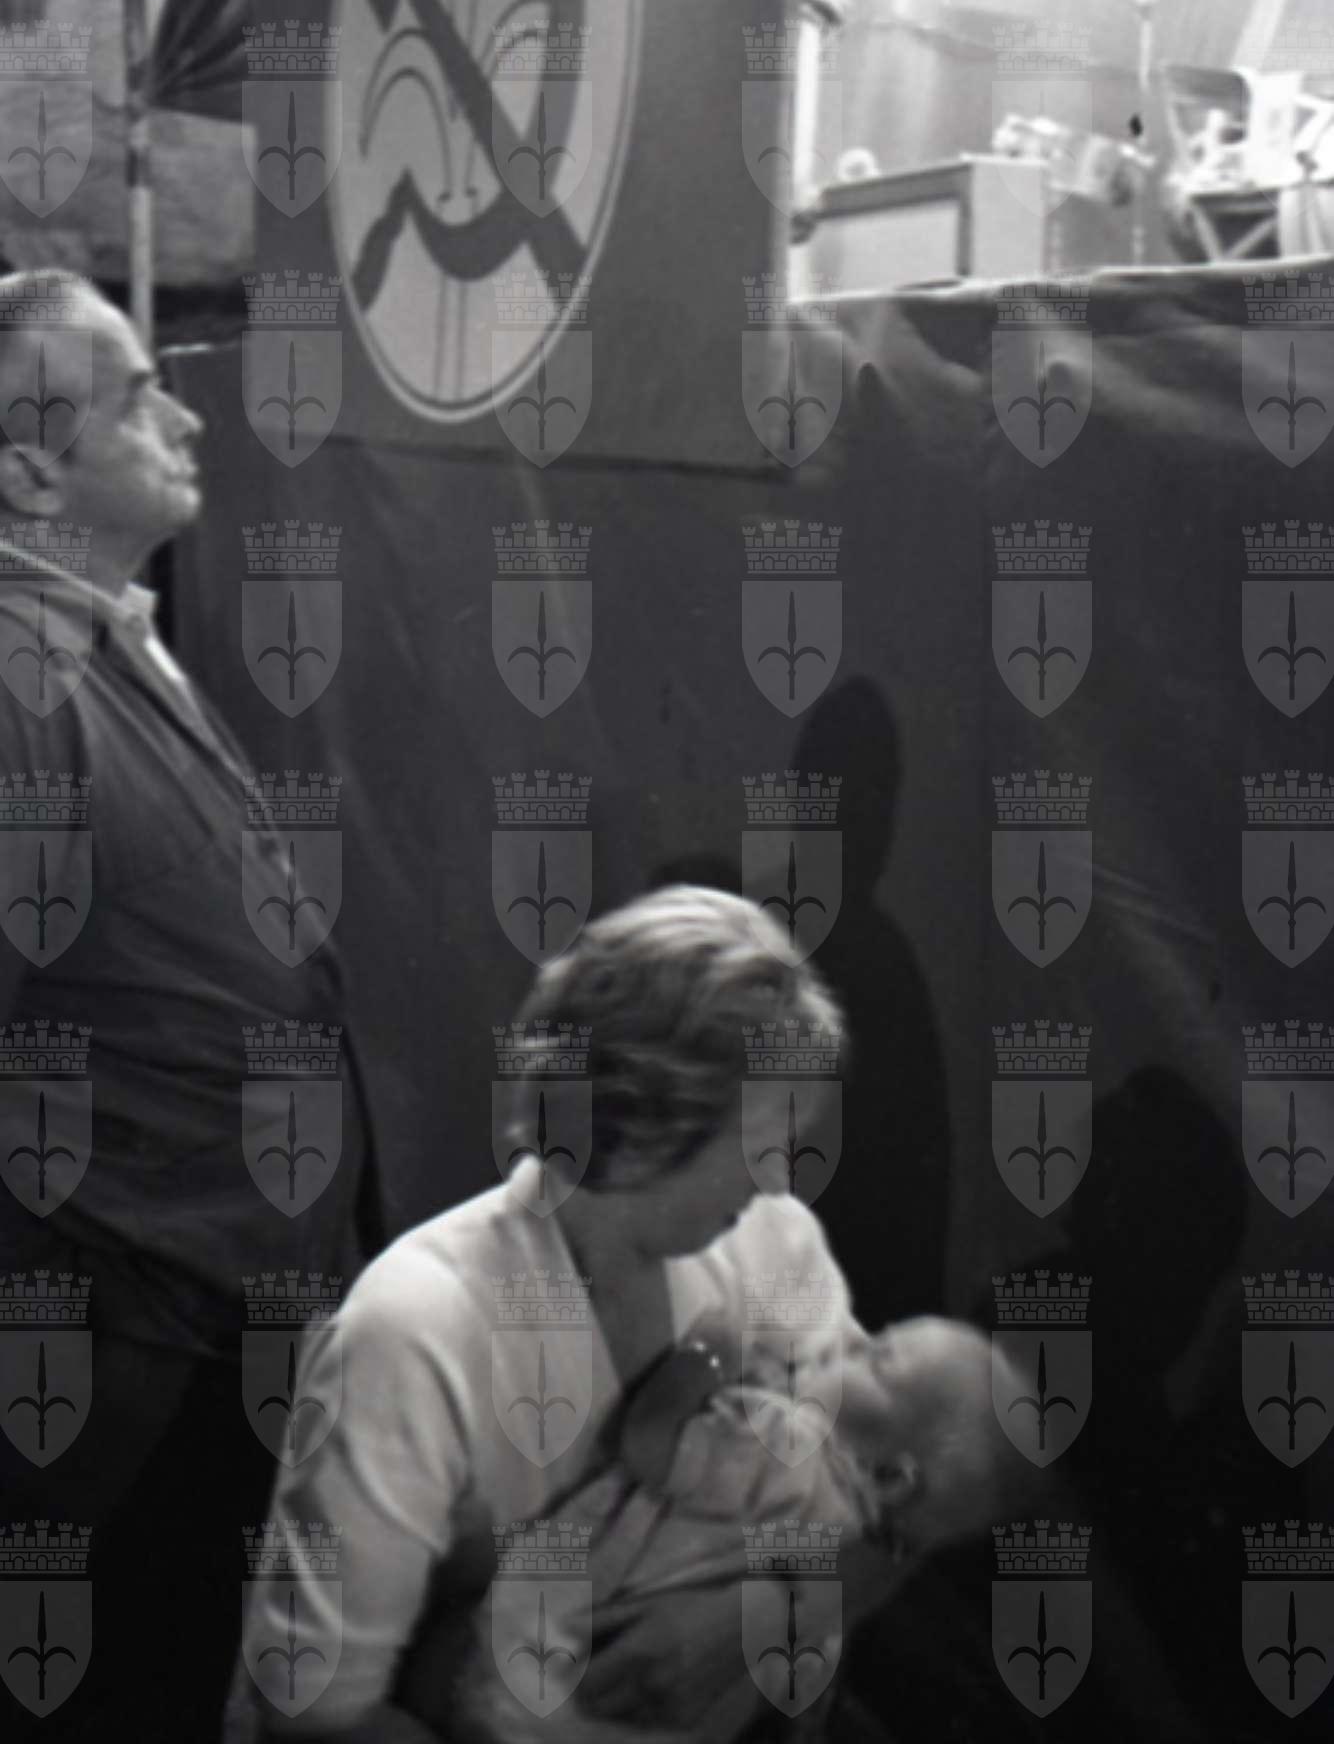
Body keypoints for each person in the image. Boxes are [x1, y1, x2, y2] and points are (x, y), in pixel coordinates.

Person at [244, 887, 904, 1742]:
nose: (779, 1178)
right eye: (760, 1141)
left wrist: (760, 1618)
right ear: (641, 1125)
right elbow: (319, 1713)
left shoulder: (773, 1244)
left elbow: (900, 1499)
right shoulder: (413, 1329)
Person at [0, 271, 381, 1742]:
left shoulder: (94, 640)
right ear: (32, 472)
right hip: (126, 1361)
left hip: (191, 1336)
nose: (187, 415)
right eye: (138, 392)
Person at [458, 1316, 1022, 1743]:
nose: (849, 1341)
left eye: (875, 1359)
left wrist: (708, 1353)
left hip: (532, 1674)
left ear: (891, 1477)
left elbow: (651, 1445)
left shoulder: (783, 1447)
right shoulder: (839, 1582)